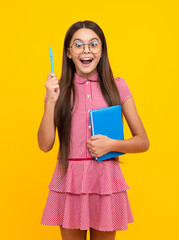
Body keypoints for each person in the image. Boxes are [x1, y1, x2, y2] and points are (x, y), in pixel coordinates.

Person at [37, 20, 150, 240]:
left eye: (93, 44)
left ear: (101, 50)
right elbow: (44, 145)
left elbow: (143, 141)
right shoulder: (57, 90)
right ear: (68, 53)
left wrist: (111, 145)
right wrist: (51, 101)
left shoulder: (117, 86)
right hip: (70, 180)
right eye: (78, 45)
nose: (86, 50)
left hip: (106, 180)